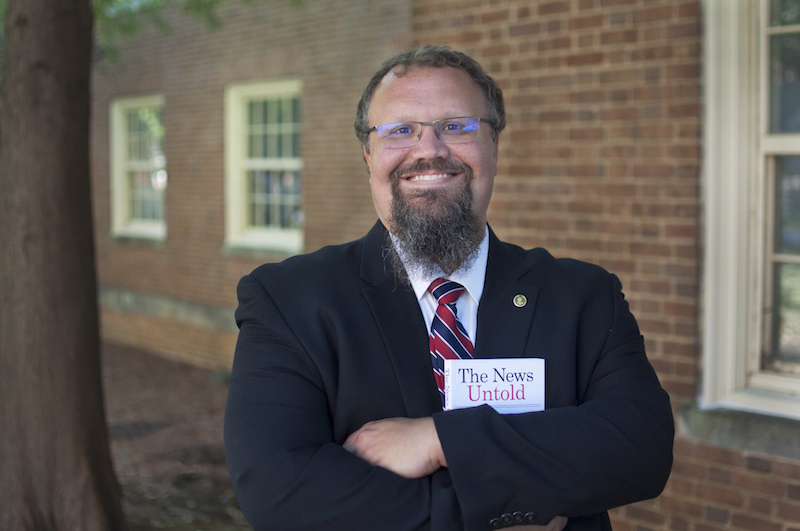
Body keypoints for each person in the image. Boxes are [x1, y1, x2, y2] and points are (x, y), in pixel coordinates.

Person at [224, 45, 674, 531]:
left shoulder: (584, 297)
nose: (430, 149)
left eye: (457, 125)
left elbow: (639, 449)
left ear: (495, 146)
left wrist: (438, 438)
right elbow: (281, 491)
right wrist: (506, 510)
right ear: (368, 156)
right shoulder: (288, 300)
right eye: (400, 130)